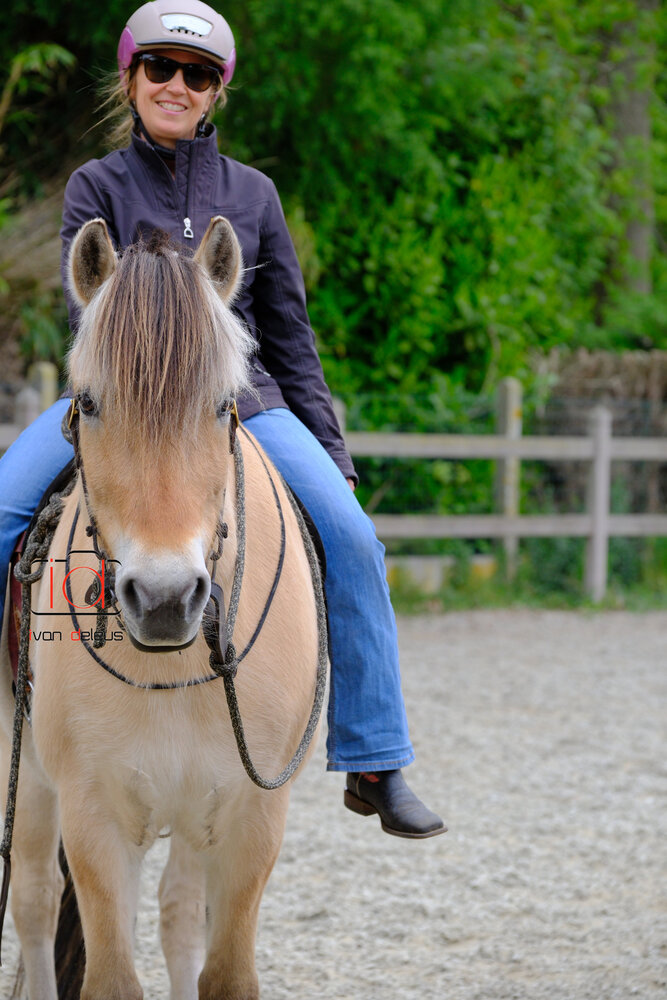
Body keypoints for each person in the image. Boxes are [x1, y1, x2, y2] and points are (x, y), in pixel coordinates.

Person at [0, 0, 445, 839]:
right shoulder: (95, 186)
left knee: (352, 539)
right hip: (119, 406)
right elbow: (81, 323)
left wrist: (333, 461)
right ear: (131, 80)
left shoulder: (255, 195)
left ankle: (374, 757)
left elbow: (290, 338)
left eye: (197, 74)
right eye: (160, 68)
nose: (177, 84)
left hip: (244, 403)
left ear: (216, 93)